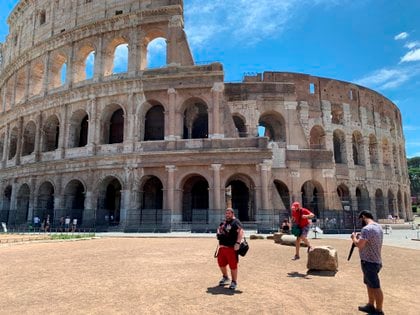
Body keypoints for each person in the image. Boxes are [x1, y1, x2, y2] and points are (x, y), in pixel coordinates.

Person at [351, 210, 384, 315]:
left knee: (375, 286)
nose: (361, 222)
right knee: (369, 284)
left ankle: (379, 310)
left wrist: (354, 238)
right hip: (376, 260)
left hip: (369, 262)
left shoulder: (366, 229)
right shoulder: (378, 227)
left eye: (361, 219)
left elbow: (359, 245)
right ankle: (370, 305)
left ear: (364, 217)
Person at [216, 208, 244, 290]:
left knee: (233, 265)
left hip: (231, 248)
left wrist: (238, 243)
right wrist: (218, 231)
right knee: (221, 263)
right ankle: (225, 277)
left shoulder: (235, 222)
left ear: (232, 214)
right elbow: (219, 229)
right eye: (226, 213)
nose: (227, 215)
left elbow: (241, 231)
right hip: (222, 248)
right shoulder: (223, 222)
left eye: (229, 213)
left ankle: (234, 281)